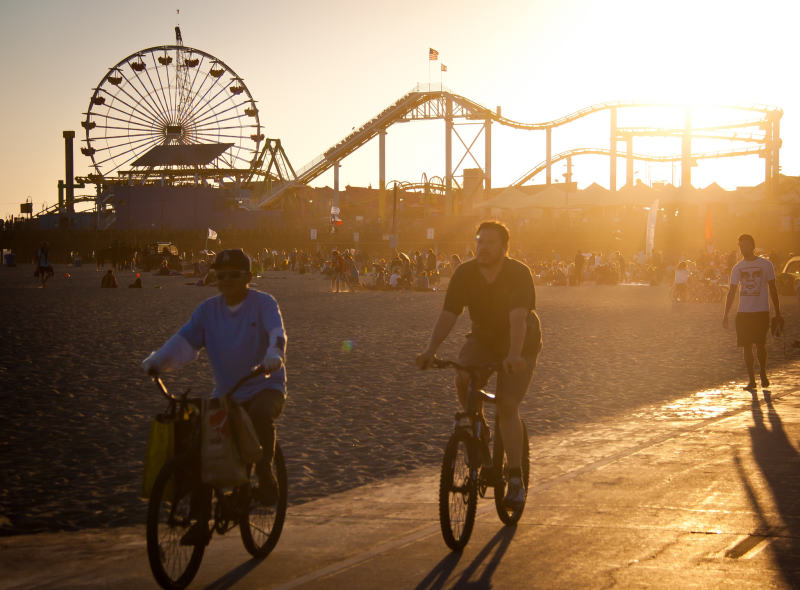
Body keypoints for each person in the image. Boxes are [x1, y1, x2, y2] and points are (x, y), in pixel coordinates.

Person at [142, 249, 287, 545]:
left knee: (259, 415)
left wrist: (275, 354)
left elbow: (277, 333)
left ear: (248, 277)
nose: (227, 280)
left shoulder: (263, 303)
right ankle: (199, 521)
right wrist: (158, 360)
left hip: (266, 385)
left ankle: (266, 472)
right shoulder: (208, 310)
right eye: (221, 275)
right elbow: (184, 341)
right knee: (200, 450)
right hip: (227, 394)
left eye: (234, 275)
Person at [416, 221, 542, 511]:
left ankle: (514, 479)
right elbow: (449, 314)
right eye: (479, 241)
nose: (482, 247)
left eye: (490, 243)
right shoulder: (465, 274)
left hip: (520, 343)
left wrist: (513, 355)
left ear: (504, 248)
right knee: (462, 373)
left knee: (508, 406)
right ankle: (479, 427)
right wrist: (430, 350)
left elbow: (518, 319)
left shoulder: (518, 273)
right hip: (484, 338)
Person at [722, 234, 782, 391]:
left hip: (761, 311)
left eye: (746, 245)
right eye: (740, 245)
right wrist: (725, 314)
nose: (743, 248)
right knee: (746, 346)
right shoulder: (737, 267)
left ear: (752, 246)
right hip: (744, 312)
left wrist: (778, 312)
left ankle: (762, 372)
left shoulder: (765, 265)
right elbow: (732, 291)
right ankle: (751, 380)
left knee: (761, 344)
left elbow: (773, 288)